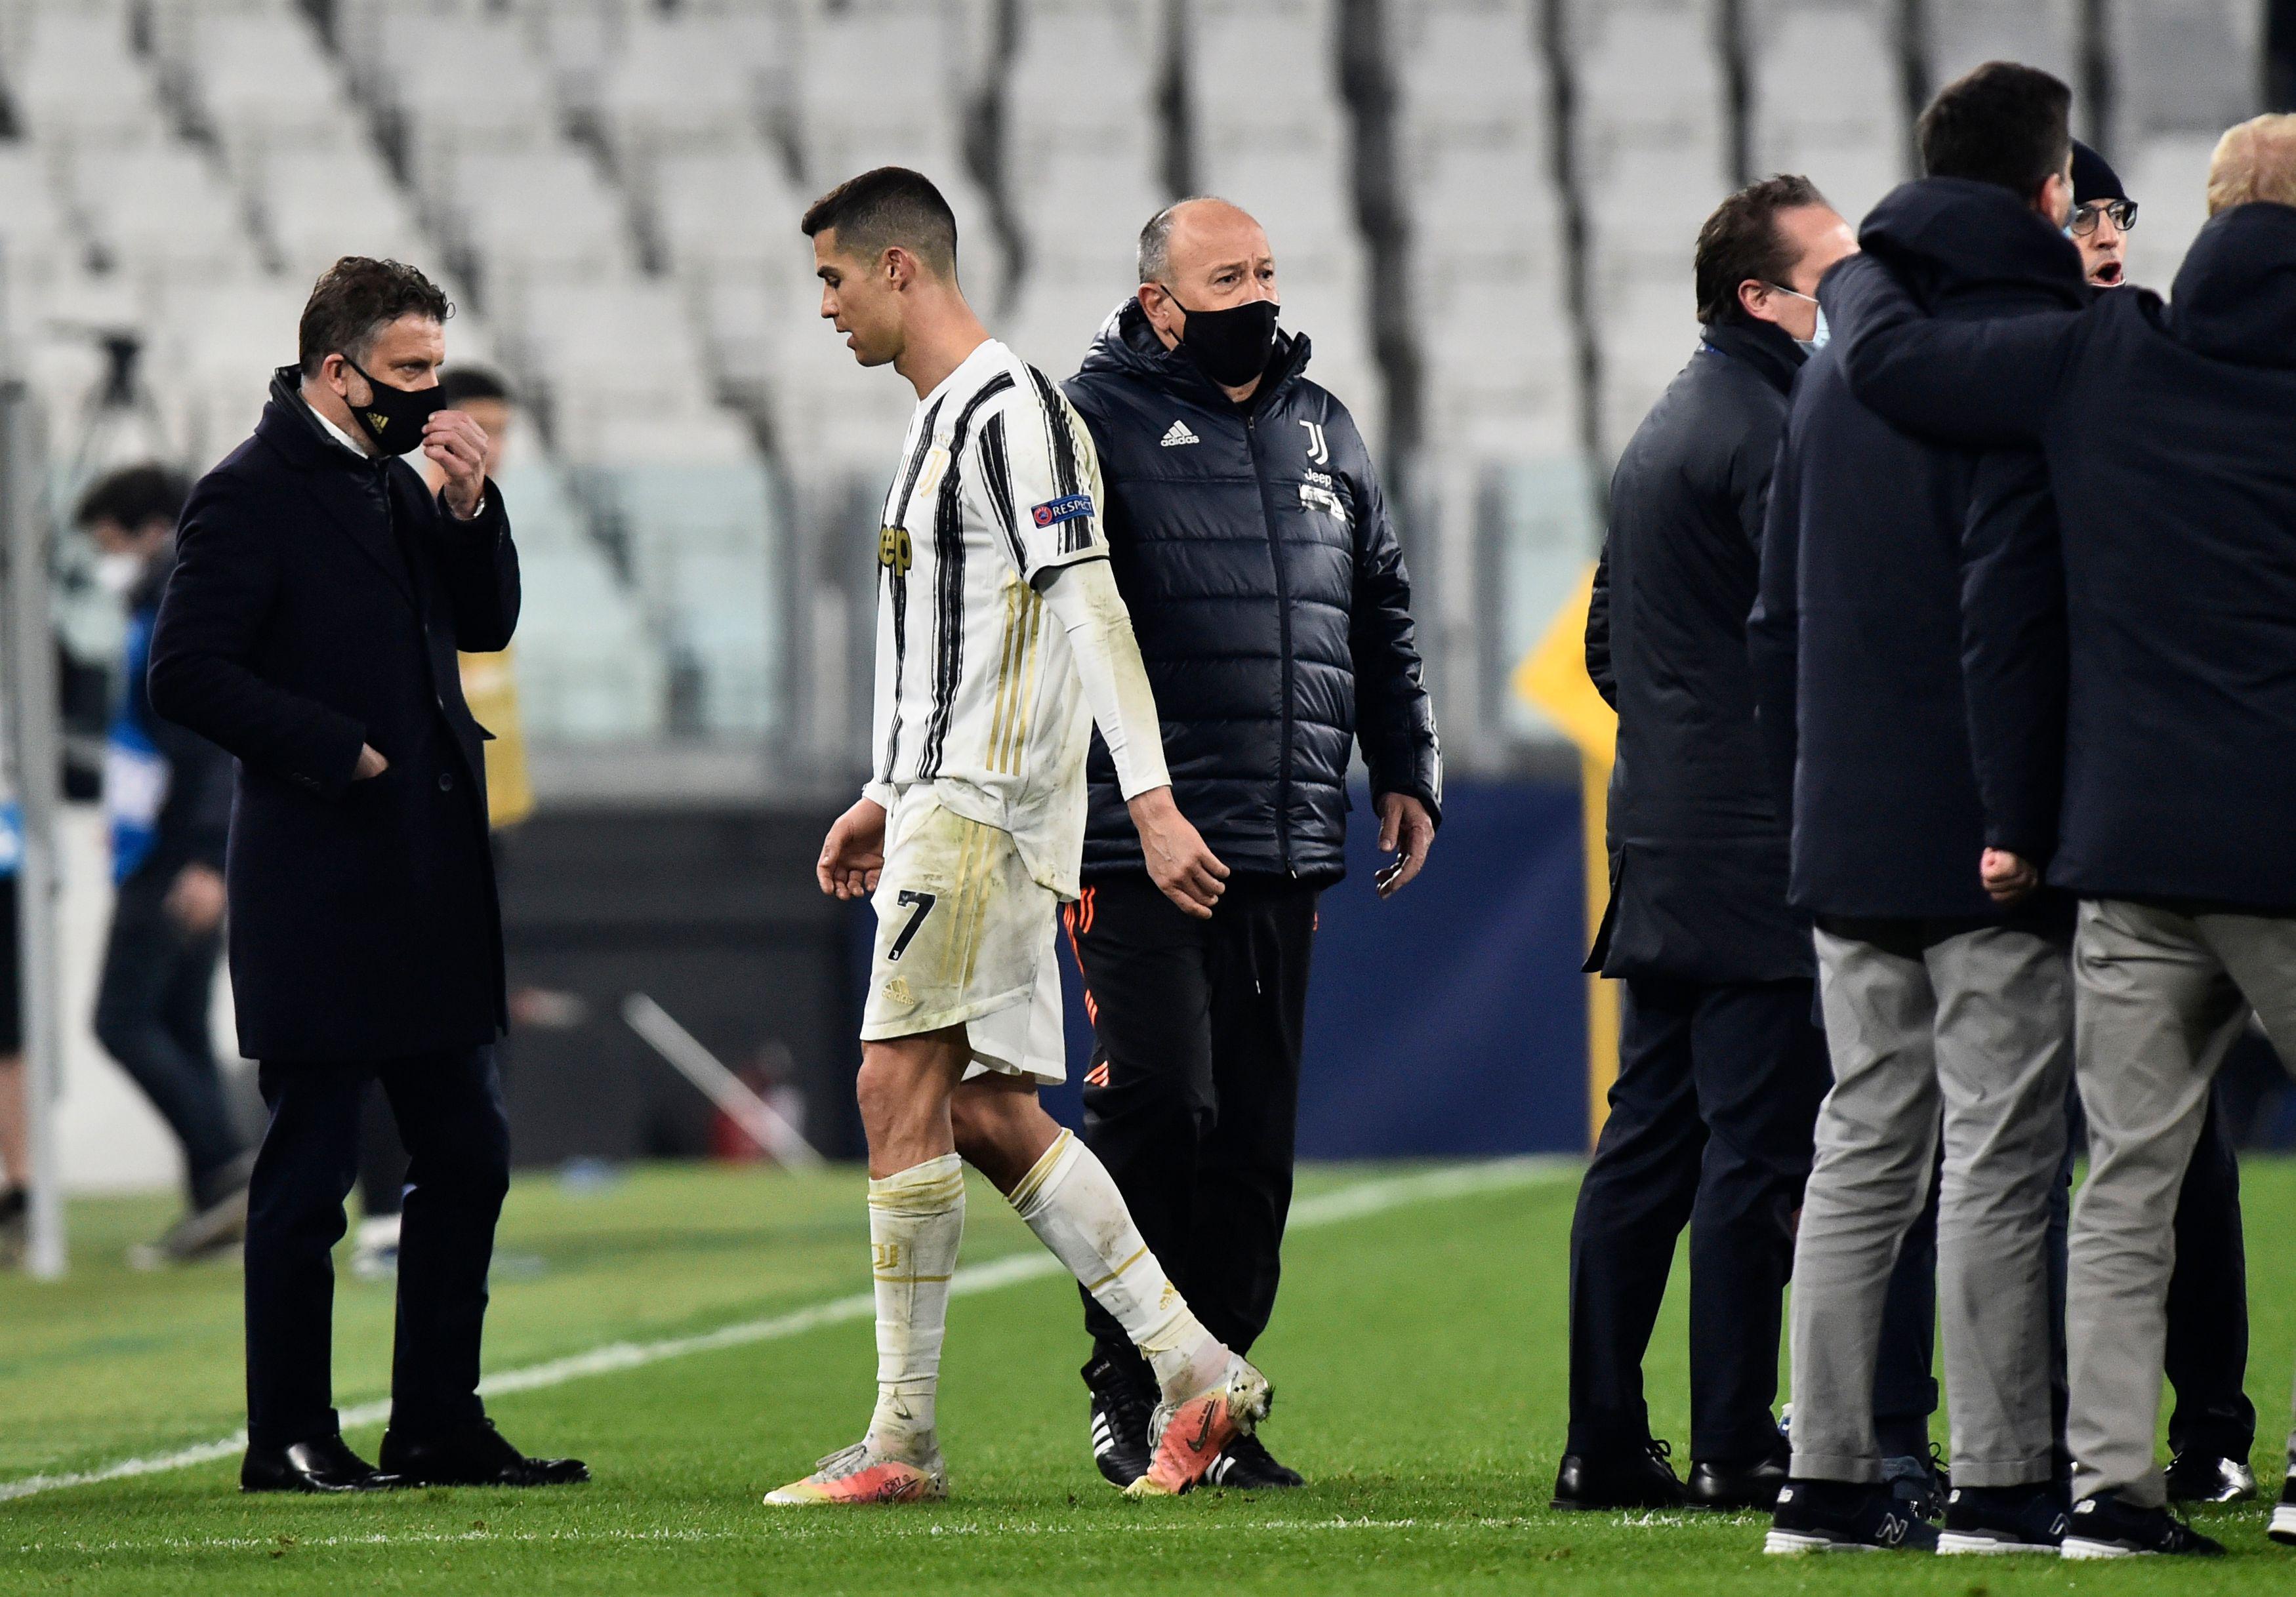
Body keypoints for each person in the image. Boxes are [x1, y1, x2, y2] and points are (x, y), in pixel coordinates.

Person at [1823, 108, 2296, 1560]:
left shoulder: (2109, 356)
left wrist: (1849, 267)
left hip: (2130, 848)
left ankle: (2103, 1489)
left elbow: (1898, 364)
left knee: (2125, 1181)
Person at [774, 167, 1273, 1506]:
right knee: (989, 1112)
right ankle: (1194, 1366)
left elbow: (1086, 606)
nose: (820, 305)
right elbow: (957, 637)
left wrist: (1151, 798)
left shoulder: (1013, 410)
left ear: (898, 269)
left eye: (831, 277)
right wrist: (884, 785)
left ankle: (901, 1438)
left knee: (893, 1091)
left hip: (984, 812)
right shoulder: (939, 421)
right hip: (941, 799)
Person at [149, 256, 583, 1493]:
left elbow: (486, 622)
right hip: (322, 881)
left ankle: (437, 1420)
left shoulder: (400, 488)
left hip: (429, 877)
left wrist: (466, 508)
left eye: (436, 369)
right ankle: (287, 1436)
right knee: (309, 1173)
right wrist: (335, 749)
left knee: (467, 1152)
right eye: (409, 372)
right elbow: (185, 672)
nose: (430, 395)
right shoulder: (248, 493)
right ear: (336, 373)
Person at [1749, 62, 2091, 1556]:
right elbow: (2010, 607)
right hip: (1984, 834)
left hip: (1850, 825)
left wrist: (1811, 796)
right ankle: (2006, 1481)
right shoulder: (2021, 352)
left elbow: (1776, 614)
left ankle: (1821, 1478)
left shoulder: (1834, 359)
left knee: (1861, 1141)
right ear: (2046, 190)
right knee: (2004, 1155)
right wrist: (2023, 813)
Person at [1562, 175, 1942, 1517]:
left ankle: (1601, 1436)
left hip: (1662, 830)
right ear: (1759, 296)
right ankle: (1735, 1438)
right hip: (1758, 843)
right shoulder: (1785, 426)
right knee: (1757, 1153)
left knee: (1648, 1141)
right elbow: (1813, 635)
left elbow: (1612, 645)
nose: (1850, 296)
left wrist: (1687, 740)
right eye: (1827, 274)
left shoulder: (1670, 420)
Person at [1055, 196, 1441, 1491]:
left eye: (1267, 268)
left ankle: (1209, 1398)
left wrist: (1405, 761)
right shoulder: (1087, 420)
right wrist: (1134, 801)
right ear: (1160, 302)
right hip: (1133, 838)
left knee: (1253, 1149)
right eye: (1229, 274)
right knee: (1160, 1102)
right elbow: (1057, 627)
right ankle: (1129, 1374)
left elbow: (1377, 594)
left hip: (1283, 833)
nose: (1258, 292)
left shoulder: (1320, 420)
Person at [2050, 139, 2256, 1508]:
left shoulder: (2160, 369)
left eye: (2117, 208)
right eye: (2078, 212)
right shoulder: (2009, 381)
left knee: (2164, 1154)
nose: (2107, 231)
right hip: (2061, 821)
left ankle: (2203, 1433)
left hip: (2123, 812)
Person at [349, 367, 538, 1283]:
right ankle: (386, 1209)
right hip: (411, 807)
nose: (490, 447)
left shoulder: (476, 523)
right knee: (401, 1019)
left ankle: (441, 1207)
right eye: (478, 426)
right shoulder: (394, 524)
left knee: (464, 1026)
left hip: (479, 813)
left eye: (501, 431)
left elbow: (490, 642)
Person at [80, 465, 254, 1267]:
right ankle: (216, 1202)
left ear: (148, 528)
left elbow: (215, 733)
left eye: (109, 542)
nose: (103, 562)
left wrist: (203, 855)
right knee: (178, 1018)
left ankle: (227, 1171)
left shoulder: (181, 597)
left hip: (179, 851)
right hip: (176, 840)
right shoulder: (173, 593)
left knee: (121, 1019)